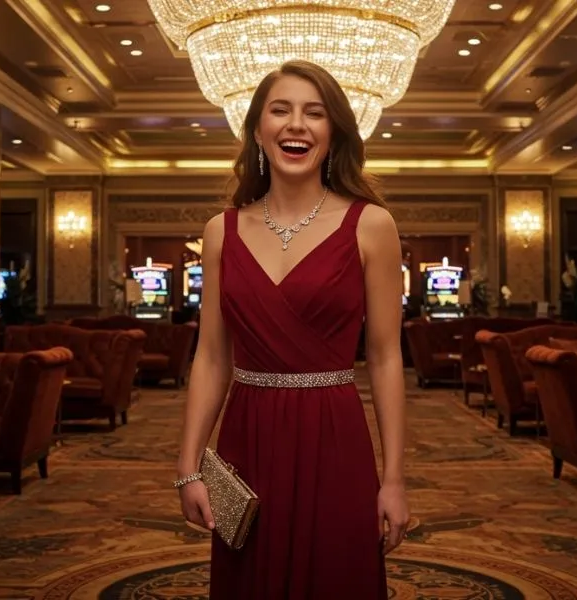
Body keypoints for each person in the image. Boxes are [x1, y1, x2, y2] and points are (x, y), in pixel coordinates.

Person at [175, 59, 409, 599]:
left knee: (335, 575)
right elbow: (211, 356)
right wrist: (188, 465)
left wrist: (394, 479)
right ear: (257, 127)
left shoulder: (371, 224)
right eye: (280, 110)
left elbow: (386, 357)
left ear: (334, 132)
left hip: (335, 434)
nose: (296, 125)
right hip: (247, 436)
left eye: (315, 113)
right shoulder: (220, 232)